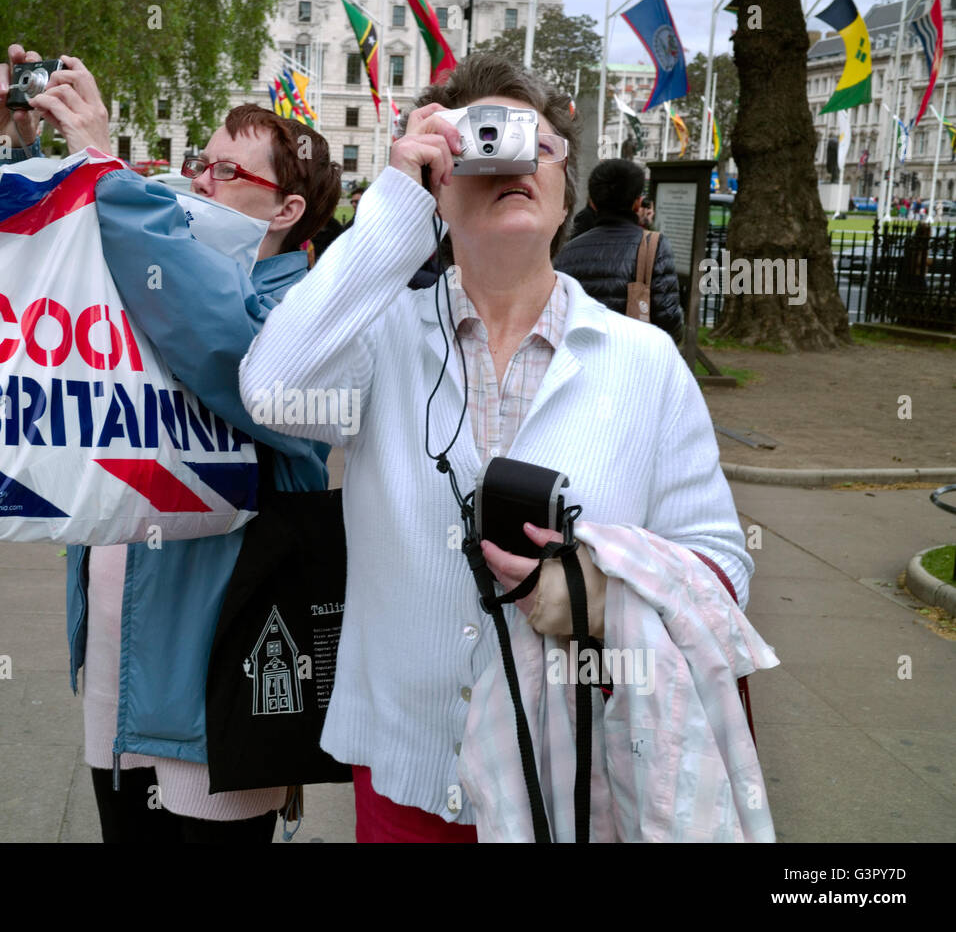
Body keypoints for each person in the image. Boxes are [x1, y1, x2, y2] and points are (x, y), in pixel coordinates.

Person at [240, 53, 754, 842]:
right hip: (408, 779)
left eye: (536, 144)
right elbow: (273, 388)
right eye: (479, 144)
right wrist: (394, 208)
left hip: (576, 785)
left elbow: (721, 563)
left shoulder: (644, 362)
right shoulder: (382, 340)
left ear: (565, 195)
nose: (512, 159)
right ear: (441, 180)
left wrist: (599, 596)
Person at [0, 43, 340, 842]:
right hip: (120, 661)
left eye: (228, 173)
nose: (201, 180)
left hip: (214, 682)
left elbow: (229, 352)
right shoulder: (164, 267)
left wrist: (106, 171)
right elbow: (25, 272)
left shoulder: (305, 312)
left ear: (286, 212)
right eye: (201, 164)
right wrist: (8, 148)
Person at [554, 158, 683, 341]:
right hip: (634, 359)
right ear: (637, 203)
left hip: (582, 358)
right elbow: (669, 320)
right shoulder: (654, 245)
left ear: (593, 202)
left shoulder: (566, 251)